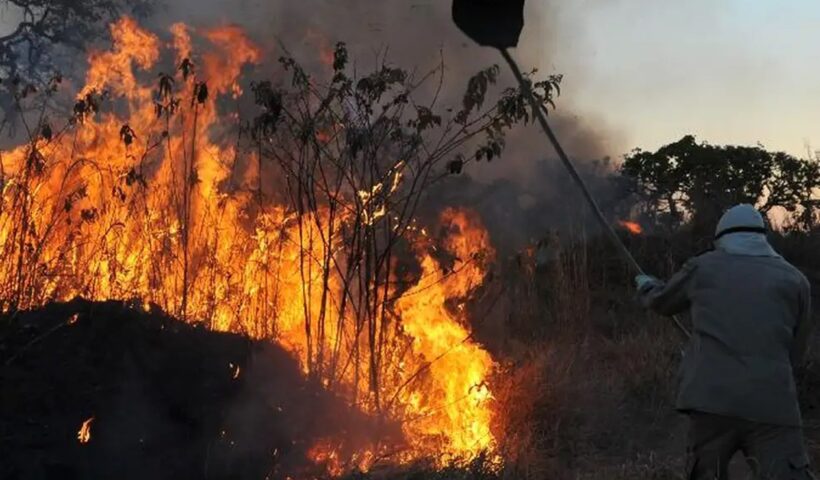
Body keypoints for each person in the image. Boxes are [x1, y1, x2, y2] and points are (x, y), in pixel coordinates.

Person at [635, 204, 815, 480]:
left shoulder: (702, 267)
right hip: (773, 404)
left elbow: (663, 302)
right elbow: (796, 352)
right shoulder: (795, 279)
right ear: (763, 236)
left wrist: (647, 286)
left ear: (722, 237)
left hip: (710, 401)